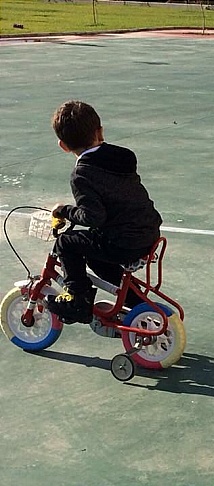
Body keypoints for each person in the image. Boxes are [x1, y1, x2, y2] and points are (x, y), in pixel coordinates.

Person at [46, 100, 162, 324]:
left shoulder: (82, 174)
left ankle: (78, 299)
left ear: (63, 146)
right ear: (100, 132)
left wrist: (65, 211)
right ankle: (135, 301)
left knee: (66, 243)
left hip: (123, 243)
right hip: (148, 232)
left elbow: (93, 217)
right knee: (94, 253)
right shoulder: (123, 157)